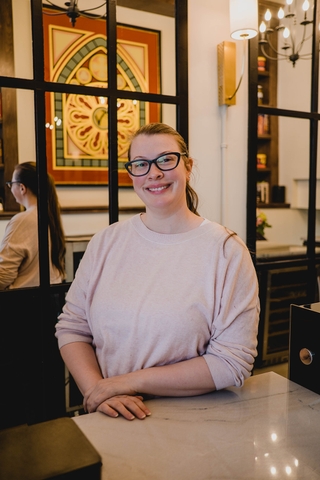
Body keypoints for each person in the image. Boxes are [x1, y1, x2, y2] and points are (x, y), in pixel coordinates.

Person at [55, 123, 260, 421]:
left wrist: (127, 382)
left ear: (188, 167)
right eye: (140, 164)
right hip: (110, 418)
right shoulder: (106, 242)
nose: (154, 173)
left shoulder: (226, 250)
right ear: (131, 175)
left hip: (194, 423)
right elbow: (72, 328)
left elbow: (232, 362)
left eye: (166, 159)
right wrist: (98, 393)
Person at [0, 161, 65, 289]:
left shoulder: (22, 220)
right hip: (50, 297)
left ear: (22, 188)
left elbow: (4, 276)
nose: (10, 188)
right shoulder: (50, 215)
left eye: (11, 184)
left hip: (25, 301)